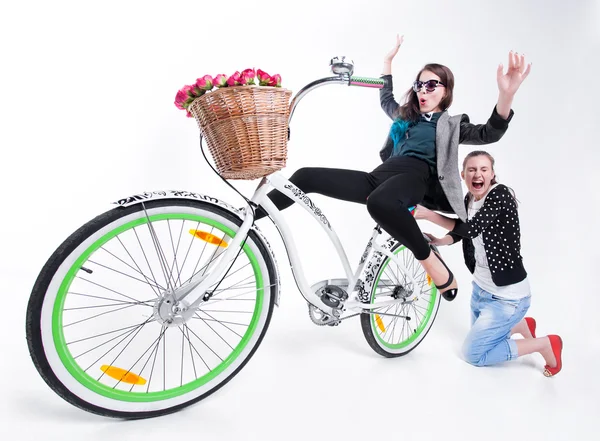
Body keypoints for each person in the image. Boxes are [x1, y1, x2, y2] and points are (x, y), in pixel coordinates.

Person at [253, 34, 531, 302]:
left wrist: (506, 95)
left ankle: (430, 261)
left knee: (380, 203)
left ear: (446, 91)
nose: (423, 90)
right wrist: (387, 63)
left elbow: (489, 134)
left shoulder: (451, 125)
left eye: (432, 85)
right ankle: (250, 217)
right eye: (420, 85)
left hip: (416, 177)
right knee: (305, 176)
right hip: (382, 176)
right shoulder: (405, 116)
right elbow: (385, 97)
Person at [414, 150, 563, 377]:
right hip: (481, 290)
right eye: (472, 170)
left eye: (484, 169)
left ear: (492, 174)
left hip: (508, 298)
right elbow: (465, 232)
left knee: (474, 354)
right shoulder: (469, 199)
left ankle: (545, 344)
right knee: (484, 340)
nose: (478, 174)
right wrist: (441, 241)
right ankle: (523, 326)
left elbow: (471, 228)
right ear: (463, 175)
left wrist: (429, 215)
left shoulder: (499, 195)